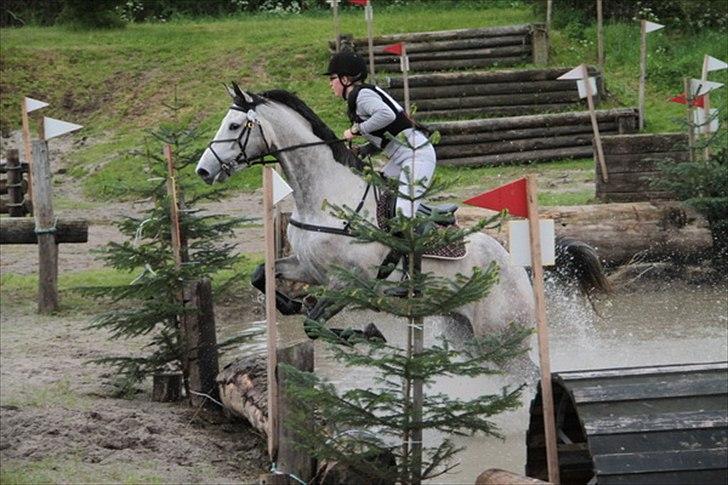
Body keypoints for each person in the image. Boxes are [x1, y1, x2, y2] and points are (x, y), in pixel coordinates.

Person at [325, 51, 436, 218]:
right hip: (401, 157)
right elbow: (388, 135)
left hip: (416, 155)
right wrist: (362, 150)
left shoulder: (361, 96)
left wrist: (356, 130)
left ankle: (435, 237)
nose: (330, 84)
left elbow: (387, 115)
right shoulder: (360, 96)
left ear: (345, 79)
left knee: (403, 216)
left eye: (332, 78)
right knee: (379, 198)